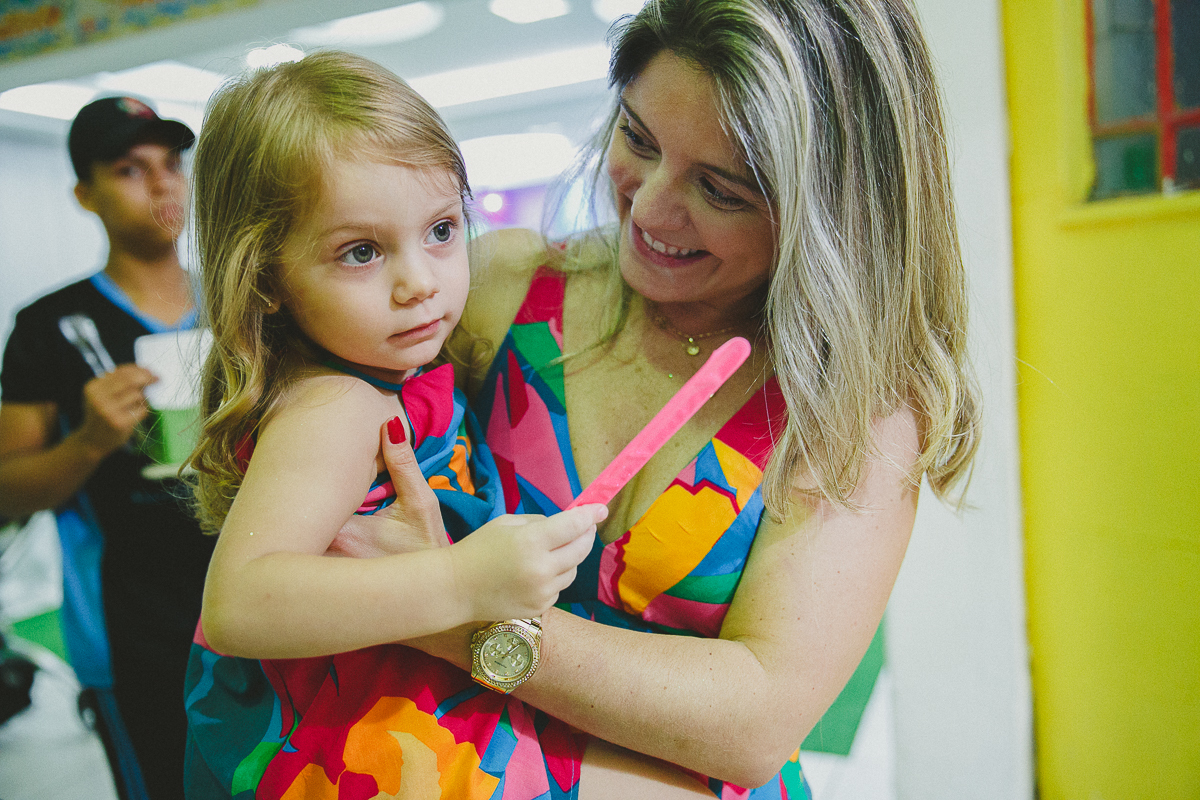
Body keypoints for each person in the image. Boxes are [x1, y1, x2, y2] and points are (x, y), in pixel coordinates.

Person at [334, 0, 982, 797]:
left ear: (829, 211)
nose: (649, 208)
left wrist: (434, 607)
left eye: (721, 190)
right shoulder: (502, 288)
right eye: (638, 139)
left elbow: (755, 725)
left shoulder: (853, 412)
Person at [181, 51, 606, 798]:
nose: (419, 283)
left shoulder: (395, 376)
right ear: (267, 278)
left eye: (441, 230)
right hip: (355, 744)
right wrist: (462, 581)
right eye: (362, 252)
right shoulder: (335, 407)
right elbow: (236, 606)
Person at [0, 97, 215, 798]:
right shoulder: (50, 328)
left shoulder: (239, 304)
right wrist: (88, 443)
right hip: (132, 631)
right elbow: (7, 489)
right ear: (84, 194)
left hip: (256, 601)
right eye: (128, 169)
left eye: (171, 163)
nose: (160, 183)